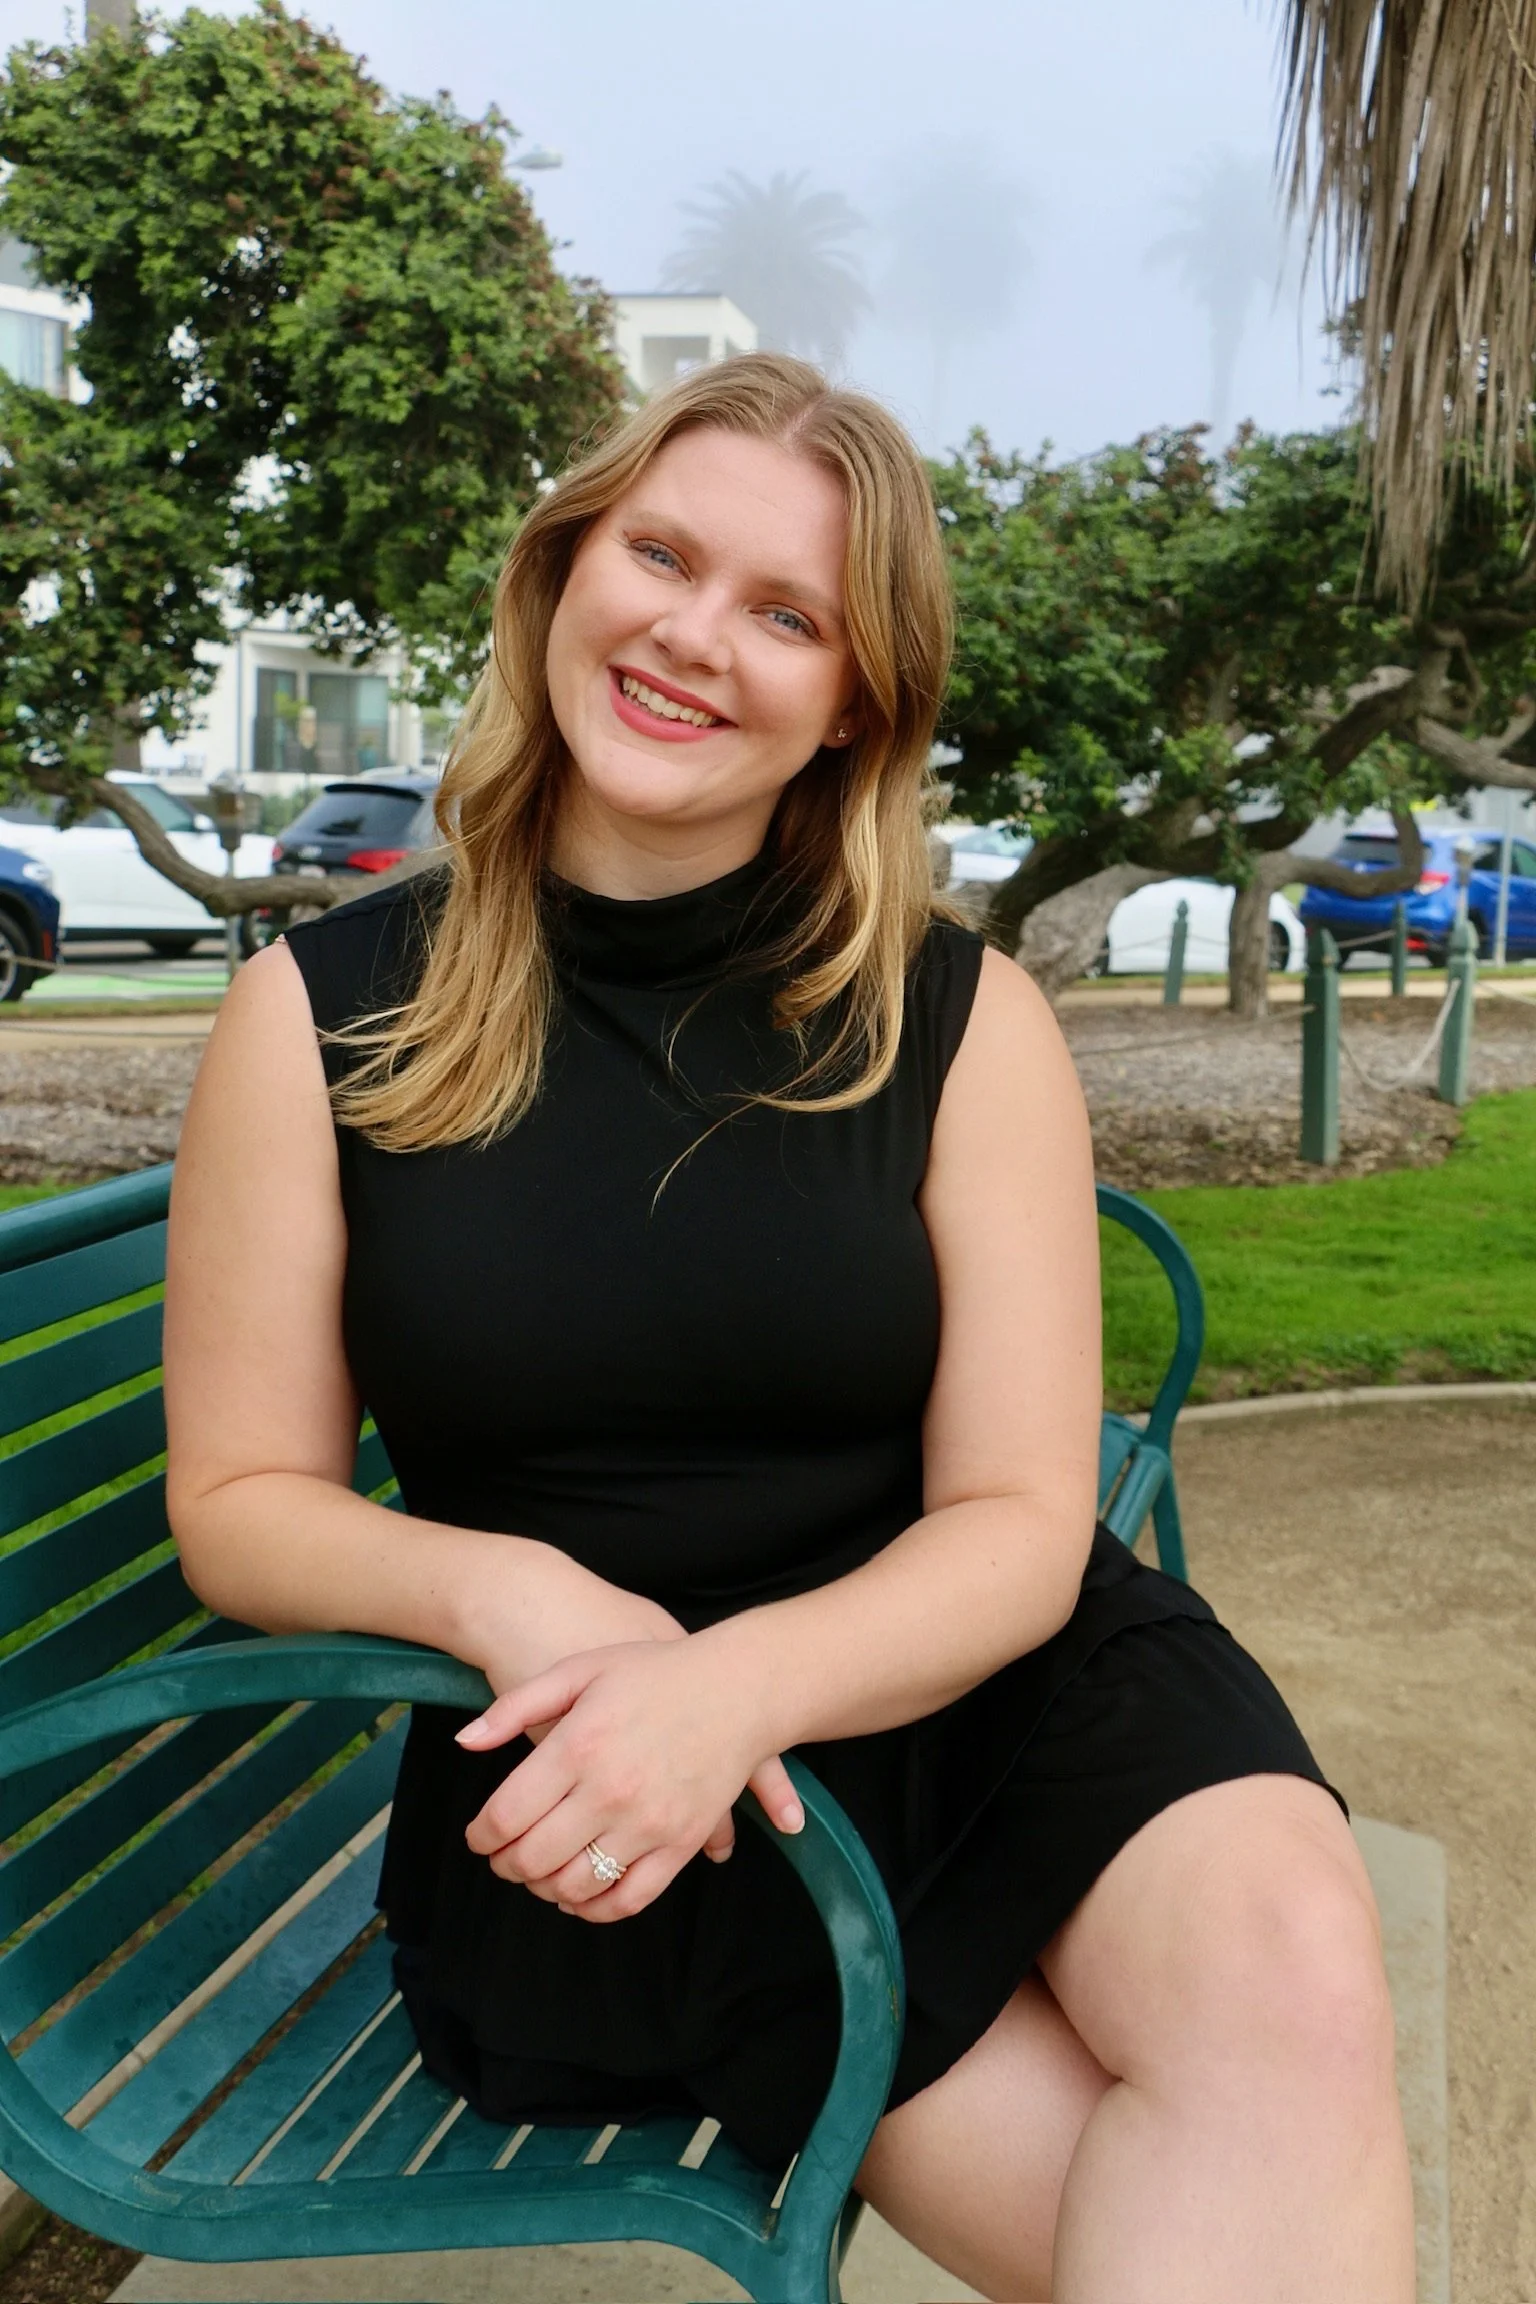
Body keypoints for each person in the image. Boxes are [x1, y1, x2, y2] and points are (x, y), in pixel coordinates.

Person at [165, 352, 1413, 2303]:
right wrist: (509, 1596)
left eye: (787, 613)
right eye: (660, 554)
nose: (691, 636)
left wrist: (755, 1677)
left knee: (1293, 1966)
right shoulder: (325, 1015)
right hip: (636, 1780)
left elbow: (1017, 1514)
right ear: (566, 569)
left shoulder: (960, 1021)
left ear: (854, 702)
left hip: (969, 1673)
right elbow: (242, 1501)